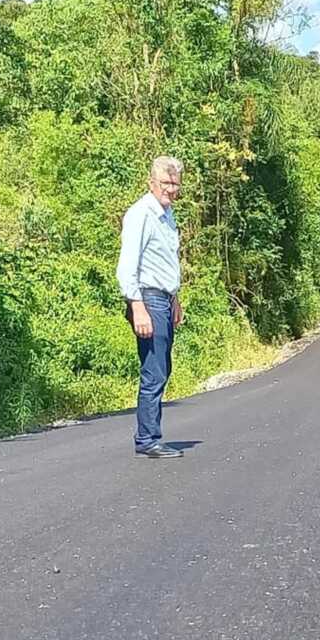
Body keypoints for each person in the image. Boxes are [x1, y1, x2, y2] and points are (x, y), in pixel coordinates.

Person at [117, 156, 186, 459]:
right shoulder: (141, 214)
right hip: (146, 299)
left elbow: (163, 263)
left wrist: (175, 299)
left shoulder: (166, 215)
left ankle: (149, 435)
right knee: (154, 371)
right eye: (165, 183)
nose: (170, 189)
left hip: (163, 299)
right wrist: (137, 306)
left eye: (174, 184)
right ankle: (147, 439)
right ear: (151, 183)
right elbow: (128, 265)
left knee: (162, 368)